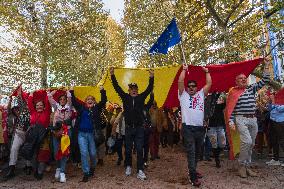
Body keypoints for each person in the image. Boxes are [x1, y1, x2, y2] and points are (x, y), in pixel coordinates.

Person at [225, 59, 270, 178]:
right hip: (241, 119)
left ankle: (247, 166)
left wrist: (266, 66)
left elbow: (265, 80)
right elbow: (231, 109)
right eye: (241, 78)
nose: (244, 79)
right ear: (236, 81)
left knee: (251, 144)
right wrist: (230, 121)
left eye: (245, 78)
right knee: (247, 141)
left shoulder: (251, 88)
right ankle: (241, 165)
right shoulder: (233, 92)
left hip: (253, 119)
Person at [109, 67, 154, 180]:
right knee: (128, 149)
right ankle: (128, 165)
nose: (133, 90)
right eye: (131, 88)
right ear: (128, 90)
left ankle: (140, 170)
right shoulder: (125, 97)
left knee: (139, 149)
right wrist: (112, 75)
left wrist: (151, 77)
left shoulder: (141, 97)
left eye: (135, 88)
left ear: (137, 90)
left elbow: (149, 89)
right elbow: (117, 87)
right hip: (128, 129)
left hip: (139, 128)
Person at [178, 64, 212, 187]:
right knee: (191, 152)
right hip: (188, 128)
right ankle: (192, 176)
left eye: (193, 86)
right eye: (189, 86)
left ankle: (194, 169)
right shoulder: (183, 95)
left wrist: (207, 72)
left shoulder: (201, 94)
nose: (191, 88)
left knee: (198, 152)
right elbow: (180, 81)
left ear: (197, 88)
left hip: (200, 128)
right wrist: (184, 70)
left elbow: (209, 84)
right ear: (187, 88)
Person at [71, 86, 107, 182]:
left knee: (93, 153)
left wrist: (102, 91)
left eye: (91, 99)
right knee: (84, 153)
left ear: (94, 102)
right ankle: (86, 173)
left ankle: (93, 167)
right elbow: (74, 101)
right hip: (81, 134)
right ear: (85, 101)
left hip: (92, 134)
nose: (89, 100)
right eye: (88, 99)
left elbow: (104, 101)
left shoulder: (96, 109)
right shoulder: (81, 108)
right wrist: (71, 91)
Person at [3, 87, 31, 181]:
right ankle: (12, 168)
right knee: (14, 149)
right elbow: (9, 109)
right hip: (18, 133)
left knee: (28, 149)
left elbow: (22, 104)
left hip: (28, 134)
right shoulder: (13, 114)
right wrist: (12, 98)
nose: (17, 110)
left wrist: (19, 95)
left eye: (18, 109)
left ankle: (28, 166)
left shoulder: (28, 110)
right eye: (15, 109)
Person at [48, 89, 73, 183]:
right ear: (59, 100)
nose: (62, 100)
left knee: (64, 151)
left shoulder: (69, 107)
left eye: (64, 99)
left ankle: (62, 172)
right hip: (56, 131)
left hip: (67, 131)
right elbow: (50, 98)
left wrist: (67, 91)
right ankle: (58, 168)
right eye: (61, 99)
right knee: (55, 151)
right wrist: (54, 91)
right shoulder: (56, 107)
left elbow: (70, 98)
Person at [28, 90, 52, 180]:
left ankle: (40, 172)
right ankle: (35, 169)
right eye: (37, 105)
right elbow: (30, 103)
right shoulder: (33, 112)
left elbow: (47, 102)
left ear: (44, 106)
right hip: (33, 136)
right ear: (35, 106)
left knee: (43, 154)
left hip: (44, 137)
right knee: (34, 154)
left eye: (41, 105)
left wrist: (48, 94)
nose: (39, 106)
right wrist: (31, 94)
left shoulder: (47, 112)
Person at [207, 93, 226, 168]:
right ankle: (217, 159)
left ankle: (217, 155)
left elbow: (224, 106)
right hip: (211, 124)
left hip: (220, 123)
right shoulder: (208, 98)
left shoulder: (222, 96)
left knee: (222, 143)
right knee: (214, 143)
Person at [265, 92, 284, 166]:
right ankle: (276, 159)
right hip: (272, 120)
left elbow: (280, 109)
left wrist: (273, 101)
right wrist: (269, 102)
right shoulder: (276, 99)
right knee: (273, 140)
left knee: (282, 140)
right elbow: (269, 109)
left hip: (280, 121)